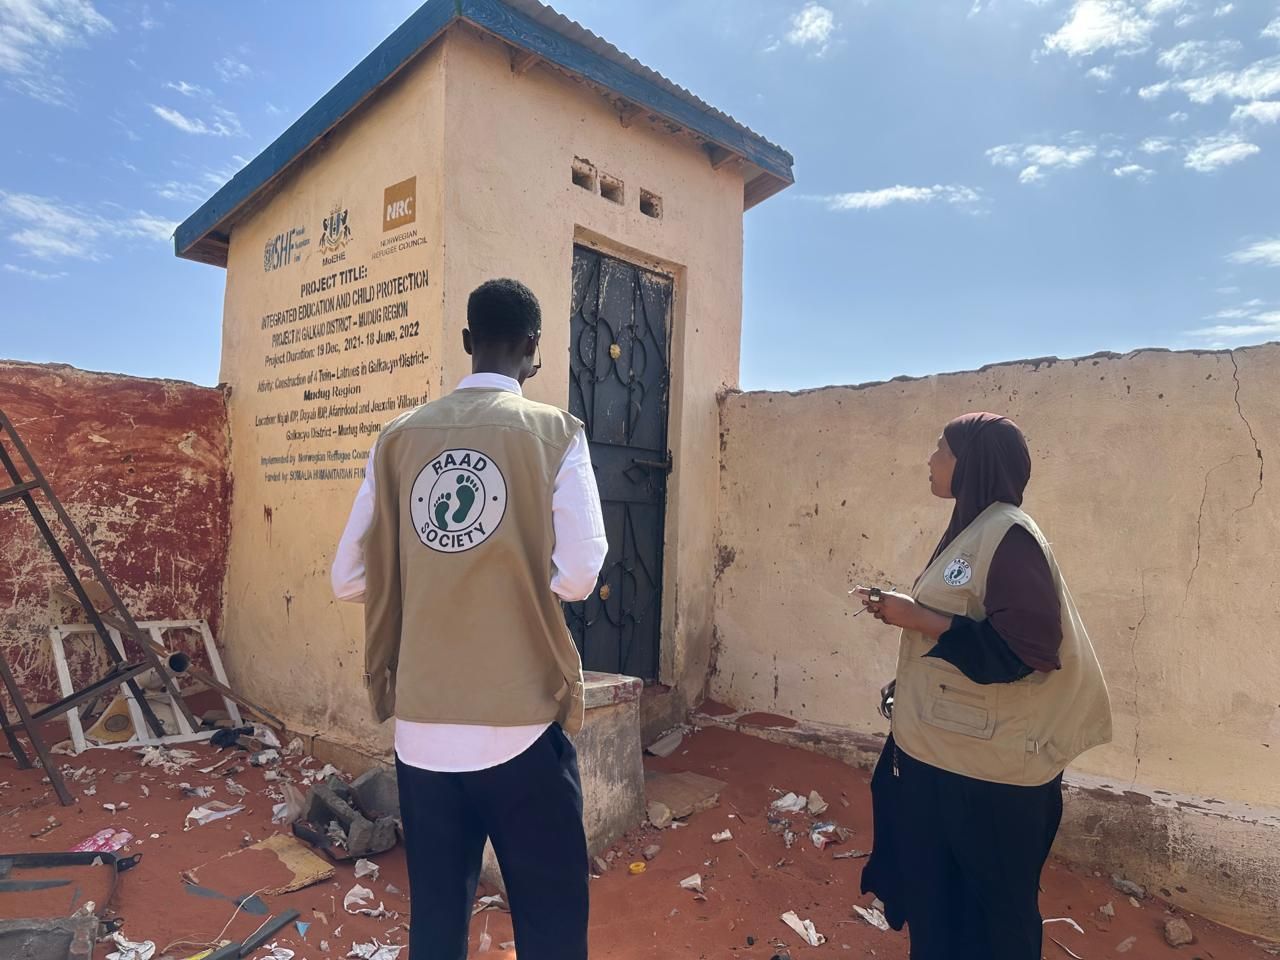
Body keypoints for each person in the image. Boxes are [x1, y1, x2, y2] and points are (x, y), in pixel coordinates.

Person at [331, 278, 607, 960]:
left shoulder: (396, 440)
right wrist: (510, 568)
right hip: (518, 731)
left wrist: (428, 575)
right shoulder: (556, 435)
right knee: (550, 922)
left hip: (422, 730)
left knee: (436, 925)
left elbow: (348, 578)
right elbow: (578, 575)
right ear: (534, 351)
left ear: (466, 342)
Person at [855, 412, 1111, 960]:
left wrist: (916, 617)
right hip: (950, 756)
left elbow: (1025, 651)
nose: (930, 460)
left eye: (941, 450)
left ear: (970, 463)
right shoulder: (976, 529)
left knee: (992, 919)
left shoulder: (1010, 535)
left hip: (990, 778)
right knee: (940, 903)